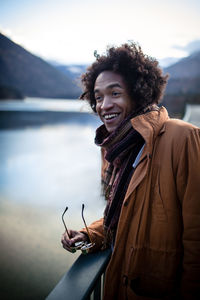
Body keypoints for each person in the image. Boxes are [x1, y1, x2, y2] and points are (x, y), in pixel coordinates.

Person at [61, 42, 200, 300]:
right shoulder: (113, 151)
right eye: (99, 97)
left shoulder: (183, 139)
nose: (104, 105)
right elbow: (126, 215)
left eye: (115, 93)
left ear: (138, 93)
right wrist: (89, 234)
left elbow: (196, 237)